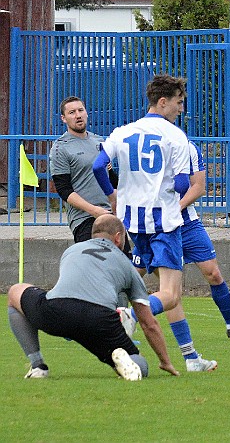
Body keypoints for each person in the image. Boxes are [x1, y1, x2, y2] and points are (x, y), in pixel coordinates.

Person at [93, 73, 217, 372]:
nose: (180, 109)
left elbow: (98, 165)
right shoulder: (176, 136)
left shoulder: (122, 132)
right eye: (178, 102)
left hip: (133, 224)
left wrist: (113, 197)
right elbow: (184, 182)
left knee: (164, 290)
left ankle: (190, 358)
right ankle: (129, 317)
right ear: (163, 102)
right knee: (171, 295)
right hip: (164, 221)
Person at [7, 215, 179, 380]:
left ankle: (38, 366)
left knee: (15, 291)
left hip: (57, 311)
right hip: (100, 320)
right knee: (140, 365)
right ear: (118, 237)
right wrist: (165, 362)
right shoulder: (127, 265)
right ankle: (125, 360)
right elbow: (148, 323)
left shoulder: (72, 250)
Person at [175, 140, 230, 341]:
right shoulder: (146, 147)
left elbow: (198, 188)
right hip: (157, 226)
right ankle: (122, 322)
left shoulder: (188, 147)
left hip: (188, 224)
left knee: (214, 274)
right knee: (136, 274)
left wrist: (175, 209)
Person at [49, 96, 115, 242]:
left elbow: (112, 179)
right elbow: (64, 190)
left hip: (110, 215)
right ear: (64, 118)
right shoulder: (60, 148)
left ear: (86, 113)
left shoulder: (99, 141)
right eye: (72, 112)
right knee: (93, 263)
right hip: (85, 219)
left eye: (80, 110)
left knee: (123, 263)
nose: (77, 115)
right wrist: (94, 210)